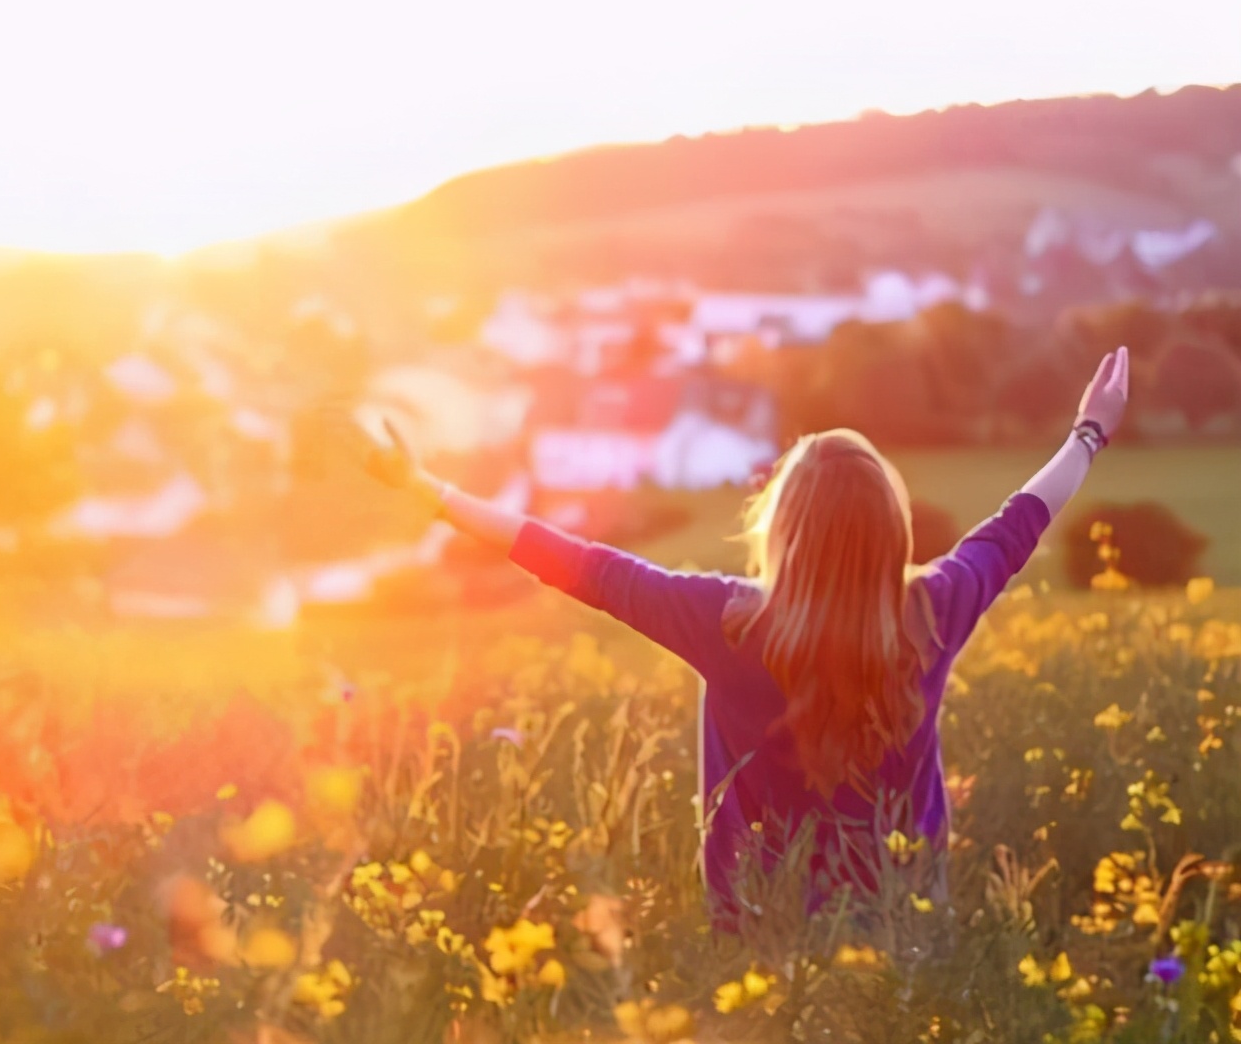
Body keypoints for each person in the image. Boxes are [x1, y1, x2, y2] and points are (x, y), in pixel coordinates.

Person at [315, 346, 1128, 931]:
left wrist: (426, 489)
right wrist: (1090, 430)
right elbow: (1021, 521)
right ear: (892, 529)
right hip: (904, 931)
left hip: (756, 938)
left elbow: (573, 562)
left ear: (784, 529)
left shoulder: (727, 623)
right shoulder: (935, 612)